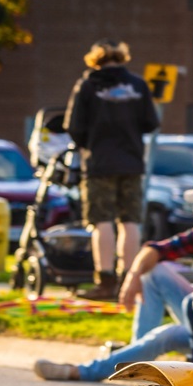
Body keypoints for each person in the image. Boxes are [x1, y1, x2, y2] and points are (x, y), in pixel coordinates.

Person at [32, 177, 193, 384]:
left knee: (166, 332)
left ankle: (84, 371)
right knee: (154, 271)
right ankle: (136, 351)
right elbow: (153, 249)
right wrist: (132, 278)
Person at [65, 38, 160, 301]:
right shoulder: (138, 85)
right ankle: (128, 280)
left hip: (99, 164)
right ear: (122, 59)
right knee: (130, 221)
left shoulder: (87, 85)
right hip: (131, 163)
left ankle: (105, 281)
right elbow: (151, 123)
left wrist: (90, 144)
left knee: (101, 222)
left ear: (96, 61)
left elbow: (73, 126)